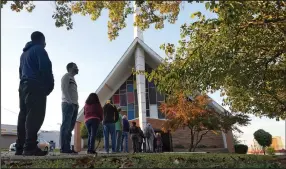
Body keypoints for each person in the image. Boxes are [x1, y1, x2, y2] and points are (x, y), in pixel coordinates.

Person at [16, 31, 54, 156]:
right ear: (42, 40)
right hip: (35, 85)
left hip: (23, 85)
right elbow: (45, 68)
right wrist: (49, 86)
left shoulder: (24, 54)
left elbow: (20, 71)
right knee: (35, 115)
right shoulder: (39, 49)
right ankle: (30, 147)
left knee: (23, 115)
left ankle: (20, 147)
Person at [60, 62, 79, 154]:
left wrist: (76, 104)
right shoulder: (66, 76)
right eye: (76, 67)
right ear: (71, 68)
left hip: (74, 105)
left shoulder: (73, 79)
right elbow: (64, 89)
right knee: (66, 126)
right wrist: (69, 101)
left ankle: (67, 147)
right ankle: (64, 148)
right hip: (68, 104)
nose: (77, 68)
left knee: (70, 128)